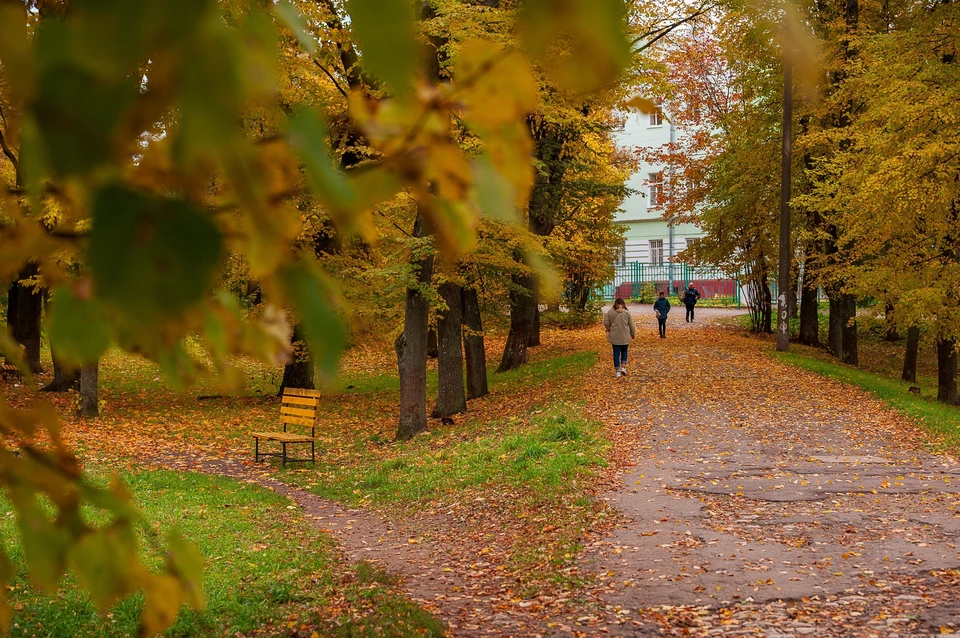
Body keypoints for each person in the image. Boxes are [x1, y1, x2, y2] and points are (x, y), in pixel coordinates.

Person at [603, 297, 635, 378]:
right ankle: (623, 367)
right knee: (624, 351)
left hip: (615, 336)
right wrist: (632, 334)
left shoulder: (610, 312)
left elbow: (606, 323)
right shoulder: (627, 313)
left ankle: (617, 371)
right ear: (623, 304)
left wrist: (609, 329)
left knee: (616, 353)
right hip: (625, 336)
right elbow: (631, 325)